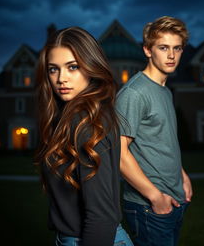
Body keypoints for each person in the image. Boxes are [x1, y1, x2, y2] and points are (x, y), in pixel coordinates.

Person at [34, 27, 133, 246]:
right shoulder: (68, 118)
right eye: (53, 69)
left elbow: (102, 217)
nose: (61, 78)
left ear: (91, 67)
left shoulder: (87, 124)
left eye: (73, 67)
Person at [116, 16, 193, 246]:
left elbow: (163, 141)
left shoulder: (164, 91)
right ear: (148, 50)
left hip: (174, 200)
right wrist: (155, 197)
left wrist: (182, 175)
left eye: (177, 48)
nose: (171, 55)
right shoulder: (134, 93)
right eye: (163, 48)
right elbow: (119, 154)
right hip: (150, 208)